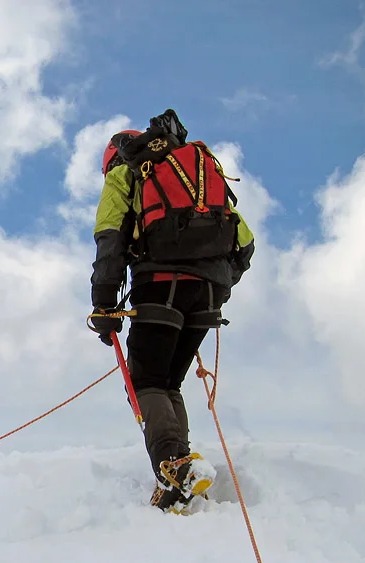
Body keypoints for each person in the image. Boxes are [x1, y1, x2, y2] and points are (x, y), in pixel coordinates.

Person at [87, 109, 255, 514]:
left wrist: (104, 303)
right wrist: (218, 283)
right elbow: (245, 243)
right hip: (208, 293)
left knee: (146, 381)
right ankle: (184, 470)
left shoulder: (125, 171)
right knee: (168, 382)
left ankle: (176, 466)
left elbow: (110, 237)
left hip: (161, 285)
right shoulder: (199, 173)